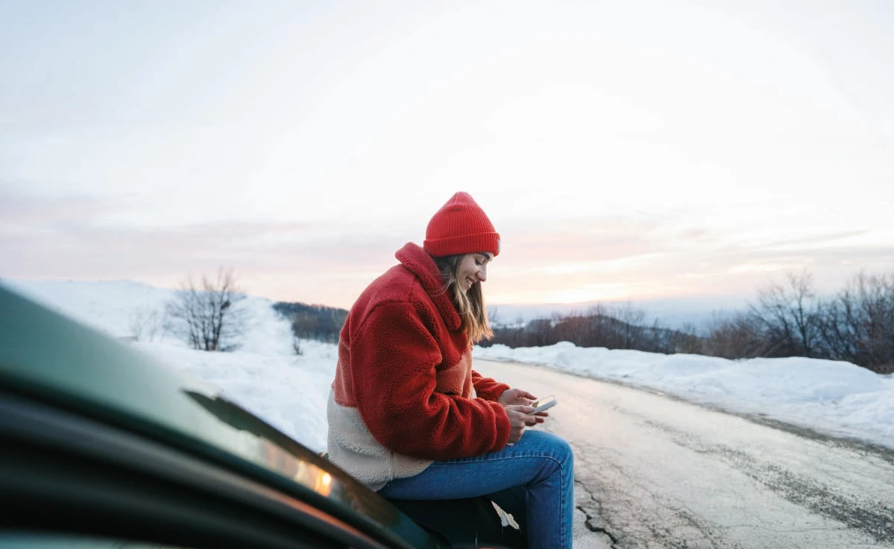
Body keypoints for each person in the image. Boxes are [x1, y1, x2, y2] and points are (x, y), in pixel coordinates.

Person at [327, 191, 574, 549]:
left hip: (406, 455)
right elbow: (405, 418)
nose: (484, 275)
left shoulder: (428, 294)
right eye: (479, 260)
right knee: (553, 458)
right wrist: (498, 421)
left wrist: (495, 395)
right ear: (455, 251)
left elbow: (442, 371)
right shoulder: (399, 305)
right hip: (387, 465)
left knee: (542, 488)